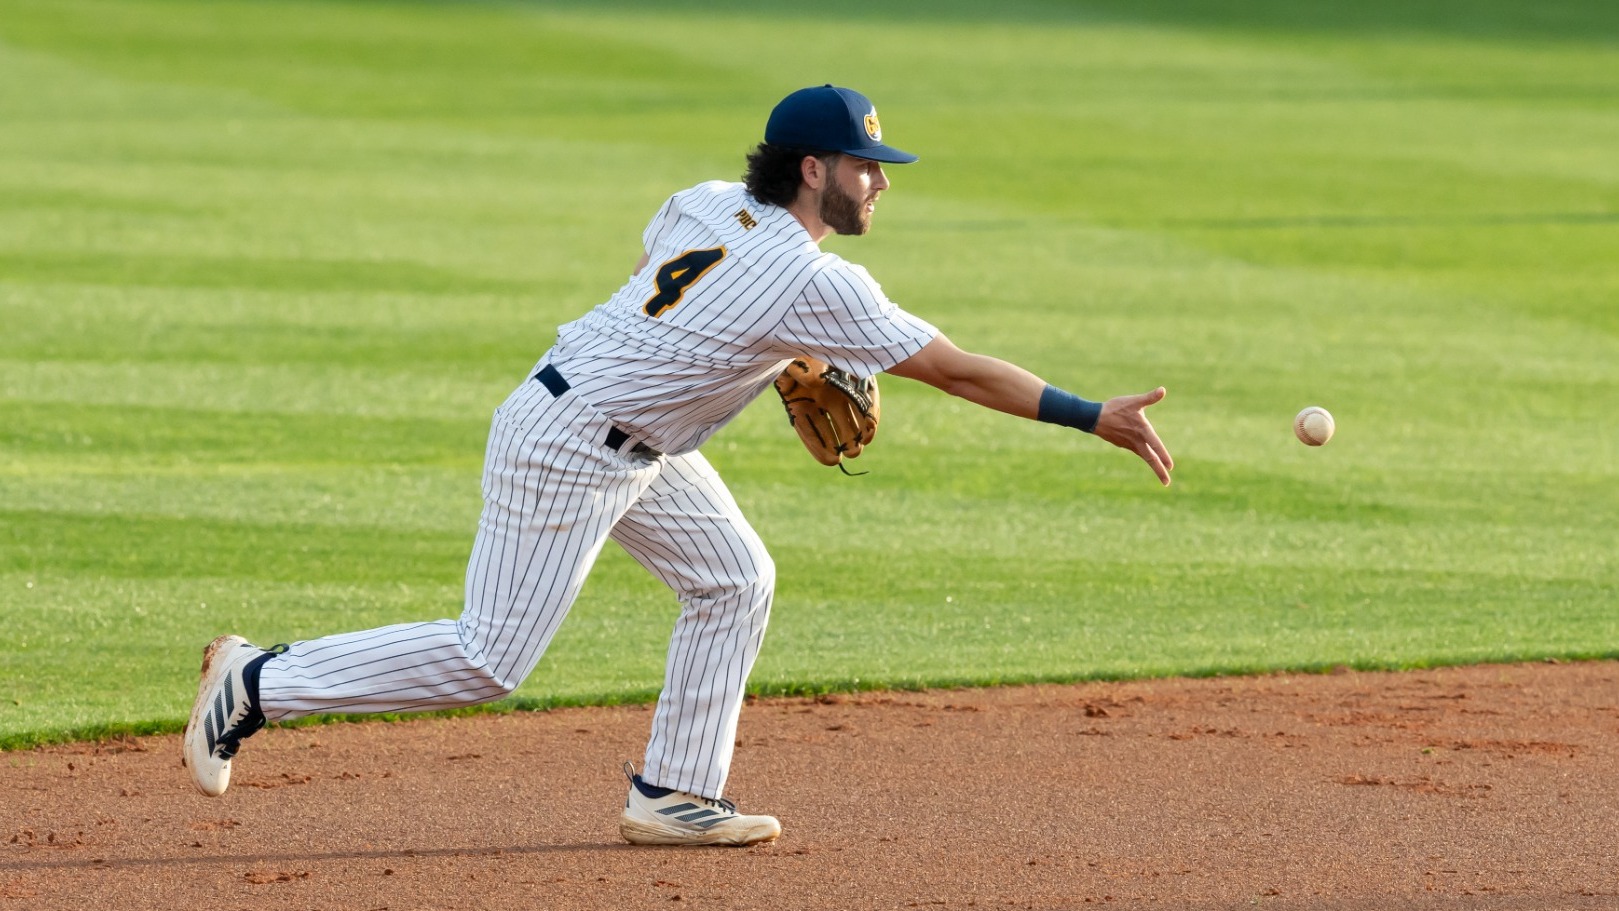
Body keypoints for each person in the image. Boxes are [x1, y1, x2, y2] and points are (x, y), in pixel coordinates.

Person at [182, 84, 1173, 847]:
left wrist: (770, 351)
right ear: (813, 168)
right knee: (489, 655)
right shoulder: (815, 277)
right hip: (571, 447)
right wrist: (1092, 414)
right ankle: (259, 681)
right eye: (864, 165)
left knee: (733, 576)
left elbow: (669, 267)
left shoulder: (704, 199)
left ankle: (675, 792)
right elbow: (954, 372)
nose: (879, 180)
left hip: (615, 424)